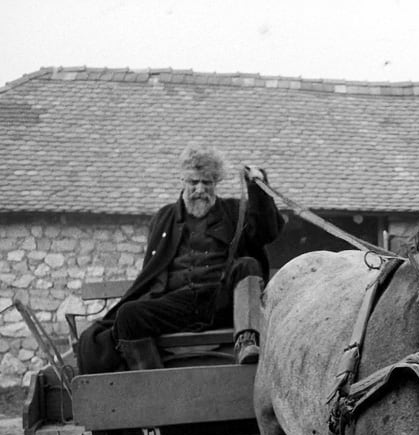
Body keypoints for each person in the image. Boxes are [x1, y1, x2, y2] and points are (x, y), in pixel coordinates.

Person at [77, 144, 285, 373]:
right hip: (178, 303)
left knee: (248, 264)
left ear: (216, 183)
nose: (200, 189)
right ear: (183, 180)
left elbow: (267, 231)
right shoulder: (164, 218)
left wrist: (256, 187)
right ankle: (151, 380)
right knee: (129, 315)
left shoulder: (235, 212)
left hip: (222, 301)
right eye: (193, 182)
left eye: (207, 183)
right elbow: (153, 272)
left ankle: (246, 342)